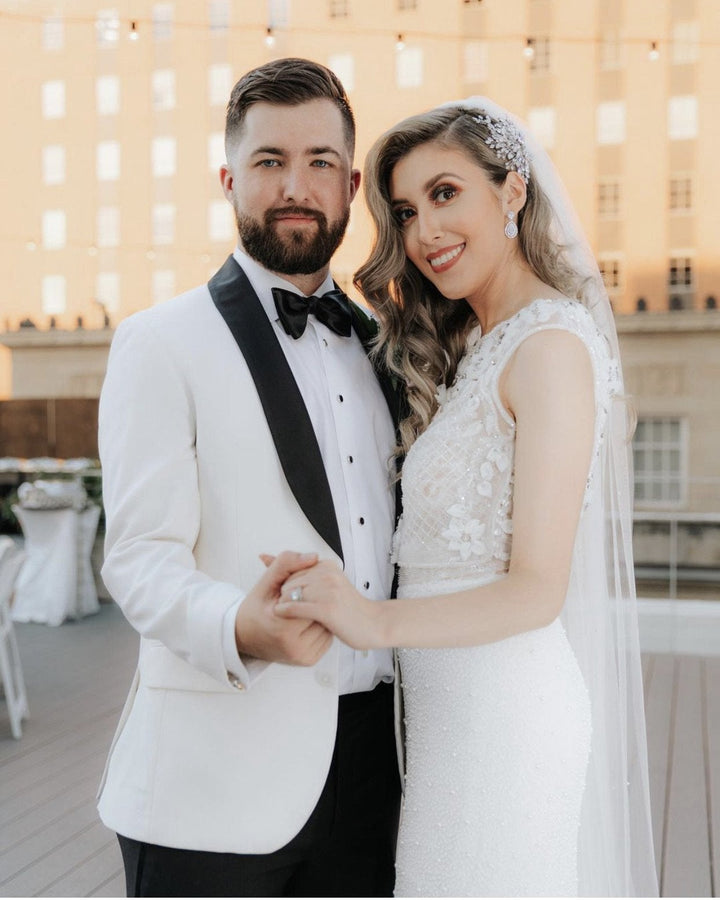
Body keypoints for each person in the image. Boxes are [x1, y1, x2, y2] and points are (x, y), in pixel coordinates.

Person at [273, 98, 659, 896]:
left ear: (512, 191)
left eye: (446, 194)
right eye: (407, 212)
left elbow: (537, 589)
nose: (424, 234)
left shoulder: (551, 345)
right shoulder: (477, 345)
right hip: (452, 726)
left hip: (509, 726)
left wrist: (371, 619)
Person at [97, 58, 401, 898]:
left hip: (378, 774)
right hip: (212, 787)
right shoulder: (159, 343)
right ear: (229, 179)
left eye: (319, 162)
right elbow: (139, 556)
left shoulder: (389, 347)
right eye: (269, 162)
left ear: (352, 185)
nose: (295, 185)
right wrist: (237, 624)